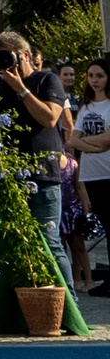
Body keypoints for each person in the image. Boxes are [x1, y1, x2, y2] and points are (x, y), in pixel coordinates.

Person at [0, 33, 71, 245]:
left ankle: (59, 272)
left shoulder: (47, 80)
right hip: (9, 177)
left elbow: (50, 118)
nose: (6, 62)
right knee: (13, 243)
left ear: (25, 55)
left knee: (48, 243)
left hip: (42, 176)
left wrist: (21, 89)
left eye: (8, 55)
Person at [70, 61, 110, 296]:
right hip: (91, 173)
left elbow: (107, 140)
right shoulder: (85, 106)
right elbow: (73, 140)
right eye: (91, 75)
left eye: (100, 76)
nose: (94, 80)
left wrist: (85, 143)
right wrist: (94, 145)